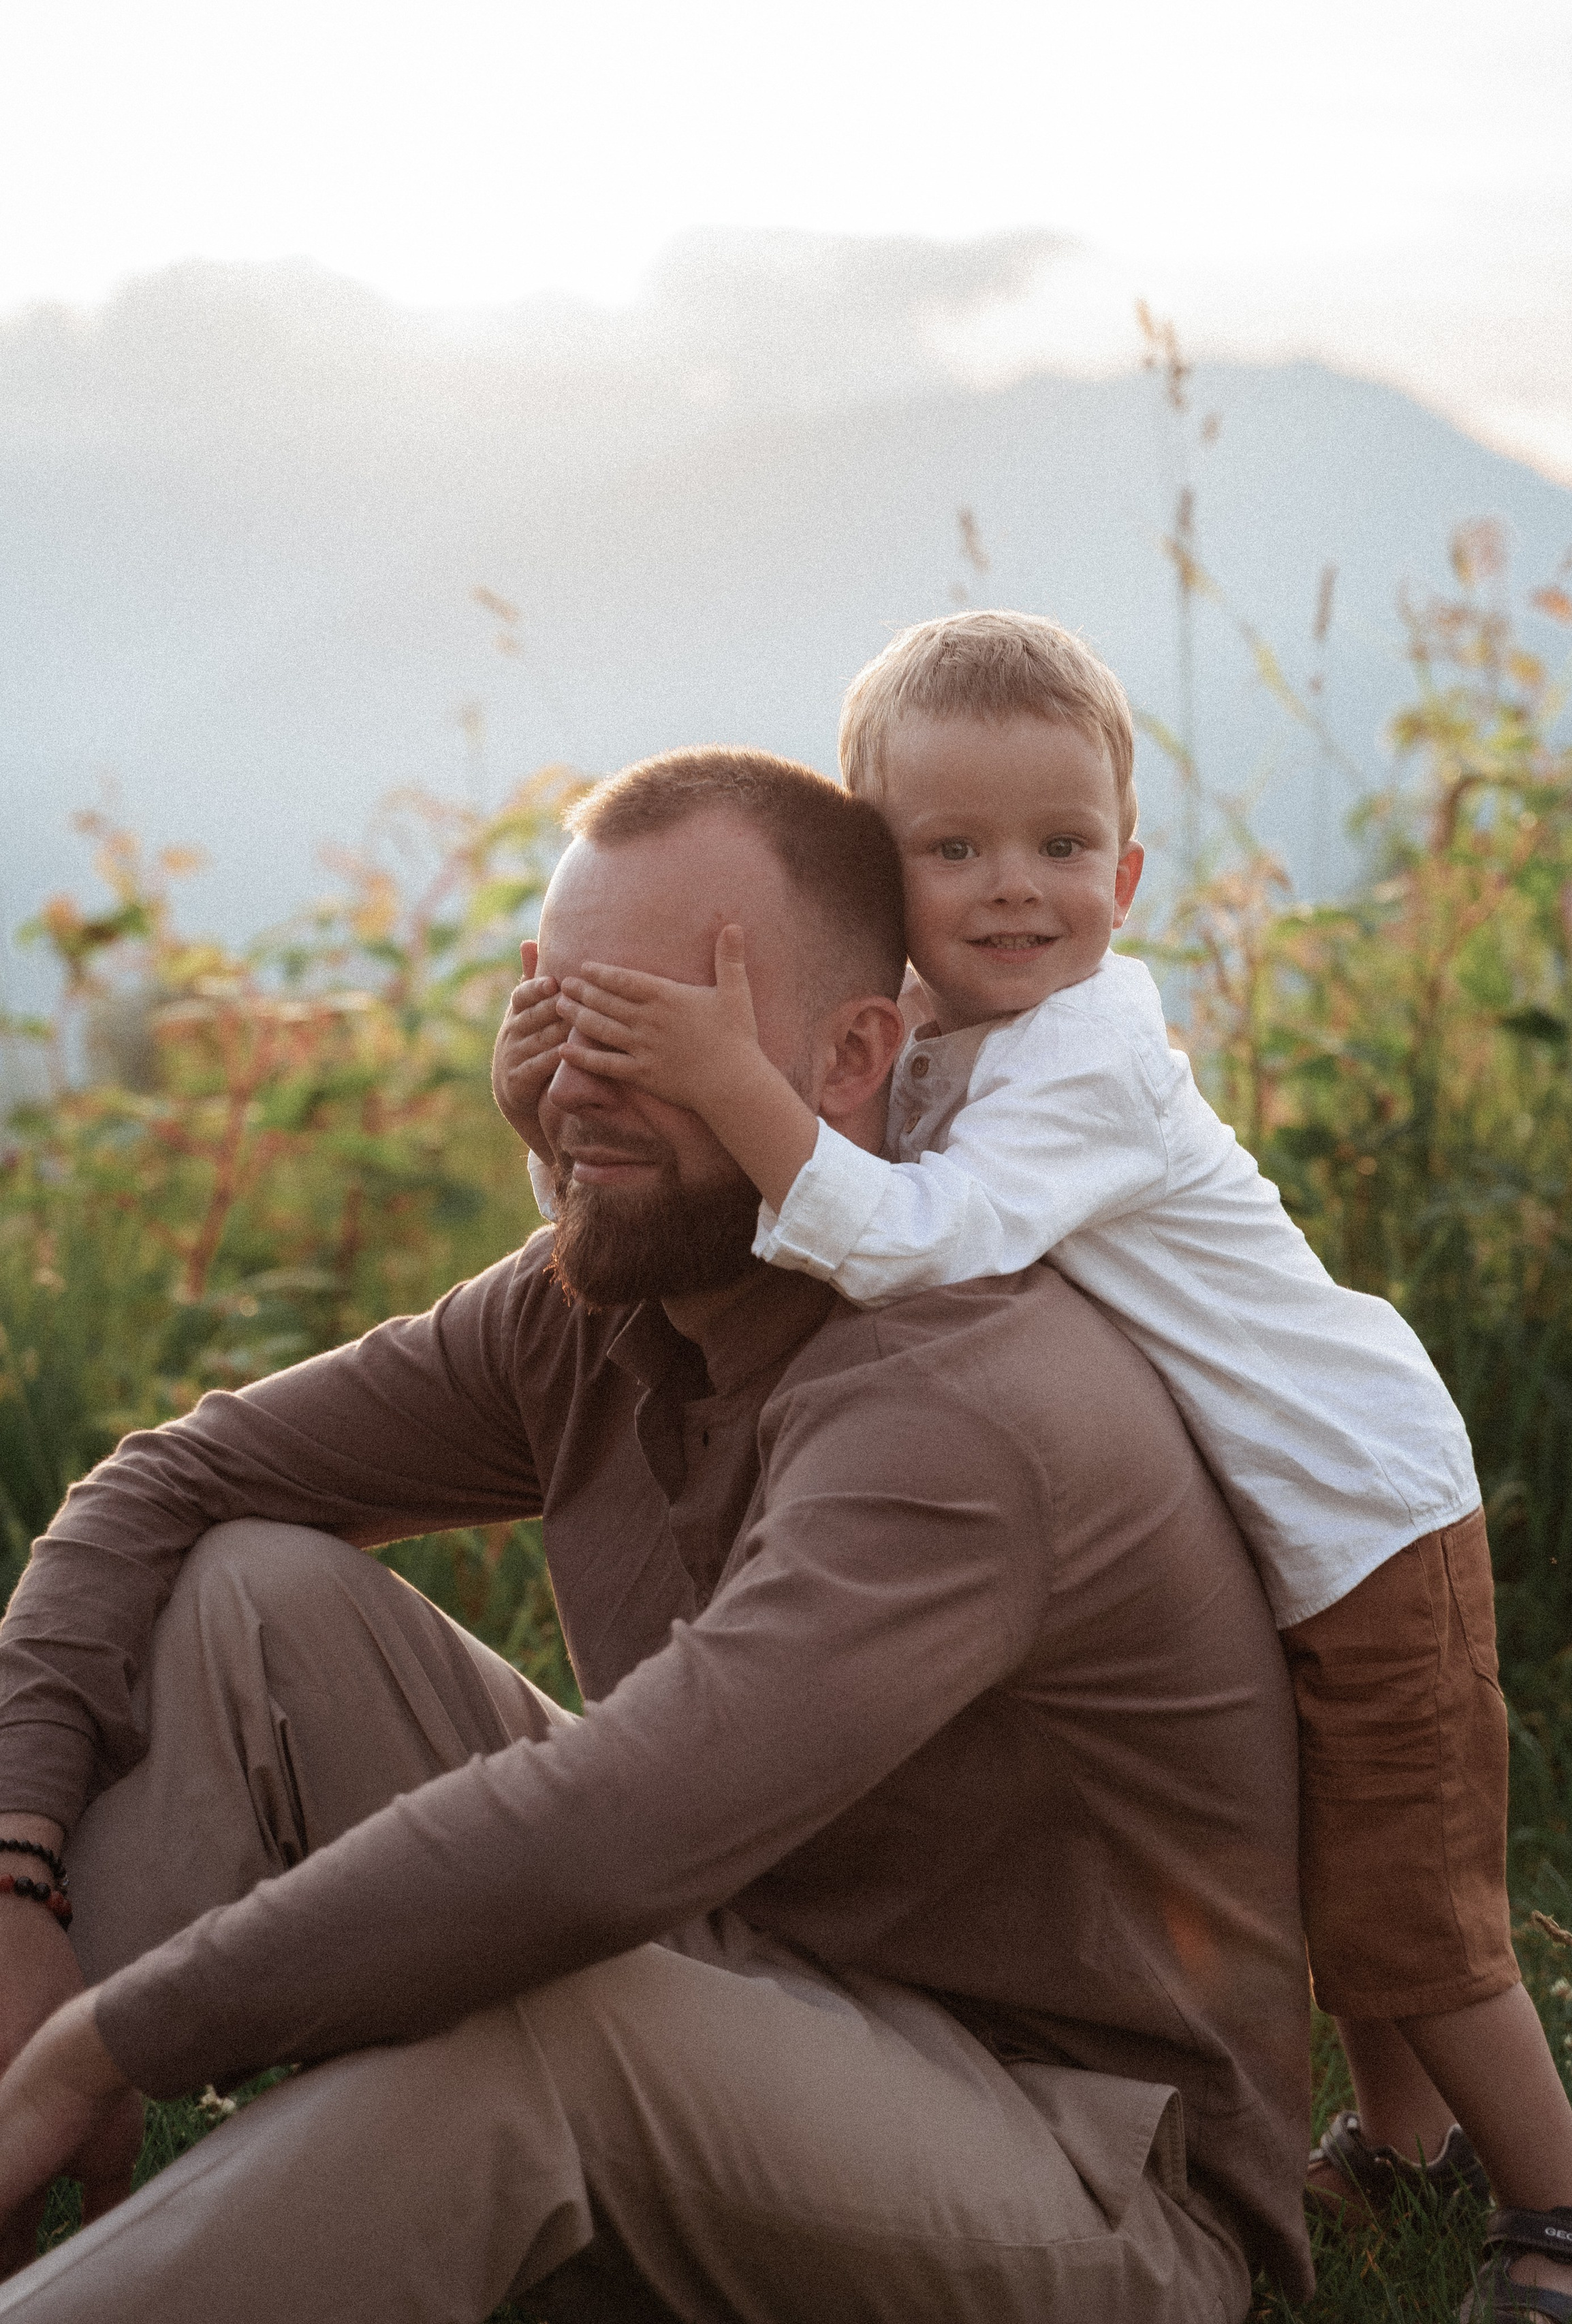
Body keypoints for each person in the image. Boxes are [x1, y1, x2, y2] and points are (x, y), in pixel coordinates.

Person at [0, 745, 1315, 2324]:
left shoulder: (955, 1401)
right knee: (252, 1593)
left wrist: (114, 2037)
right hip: (750, 1970)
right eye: (555, 1017)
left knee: (537, 2040)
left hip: (1086, 2173)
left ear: (851, 1056)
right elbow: (166, 1482)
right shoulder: (612, 1286)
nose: (572, 1087)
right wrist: (17, 1883)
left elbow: (610, 1838)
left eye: (643, 1031)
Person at [494, 618, 1572, 2324]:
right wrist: (570, 1121)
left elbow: (912, 1241)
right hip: (1266, 1509)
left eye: (1060, 846)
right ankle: (1402, 2145)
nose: (1012, 888)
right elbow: (749, 1206)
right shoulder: (924, 1039)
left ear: (1125, 875)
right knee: (1324, 1854)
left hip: (1361, 1506)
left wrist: (732, 1083)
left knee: (1407, 1899)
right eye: (952, 850)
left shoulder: (1086, 1057)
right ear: (879, 877)